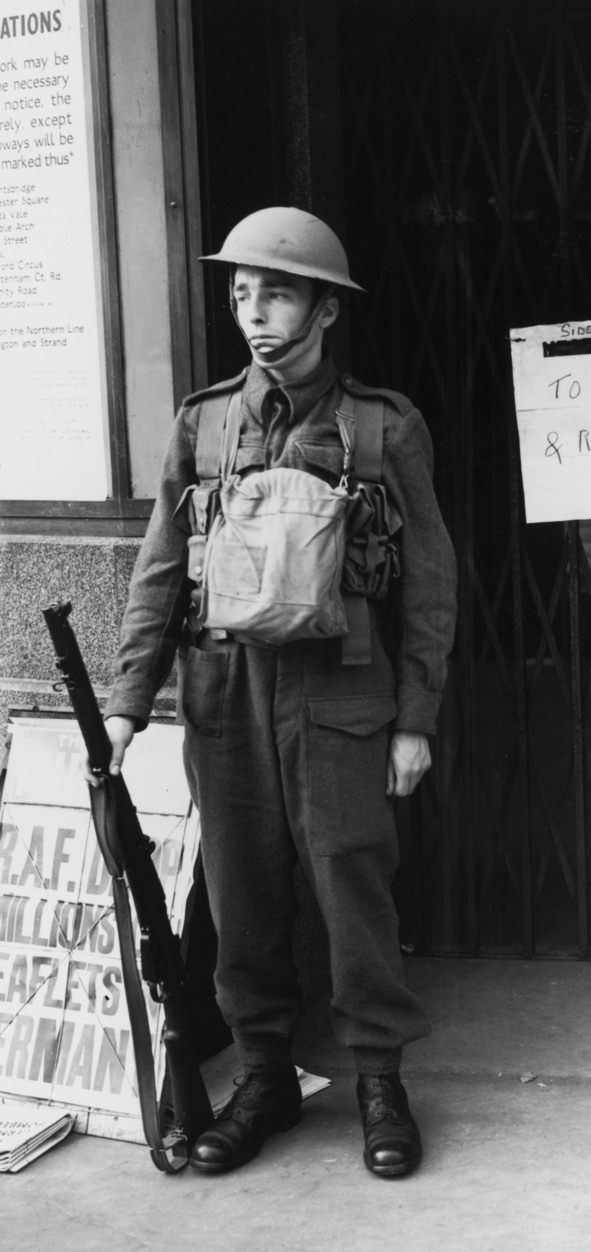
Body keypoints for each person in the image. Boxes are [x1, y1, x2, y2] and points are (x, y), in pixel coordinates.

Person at [96, 206, 457, 1177]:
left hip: (343, 694)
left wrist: (415, 717)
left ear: (326, 309)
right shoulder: (204, 421)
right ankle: (262, 1077)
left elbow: (428, 583)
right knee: (242, 890)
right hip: (224, 692)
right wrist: (128, 699)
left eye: (280, 292)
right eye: (244, 291)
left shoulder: (384, 427)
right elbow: (160, 568)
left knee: (352, 888)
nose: (256, 311)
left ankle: (380, 1079)